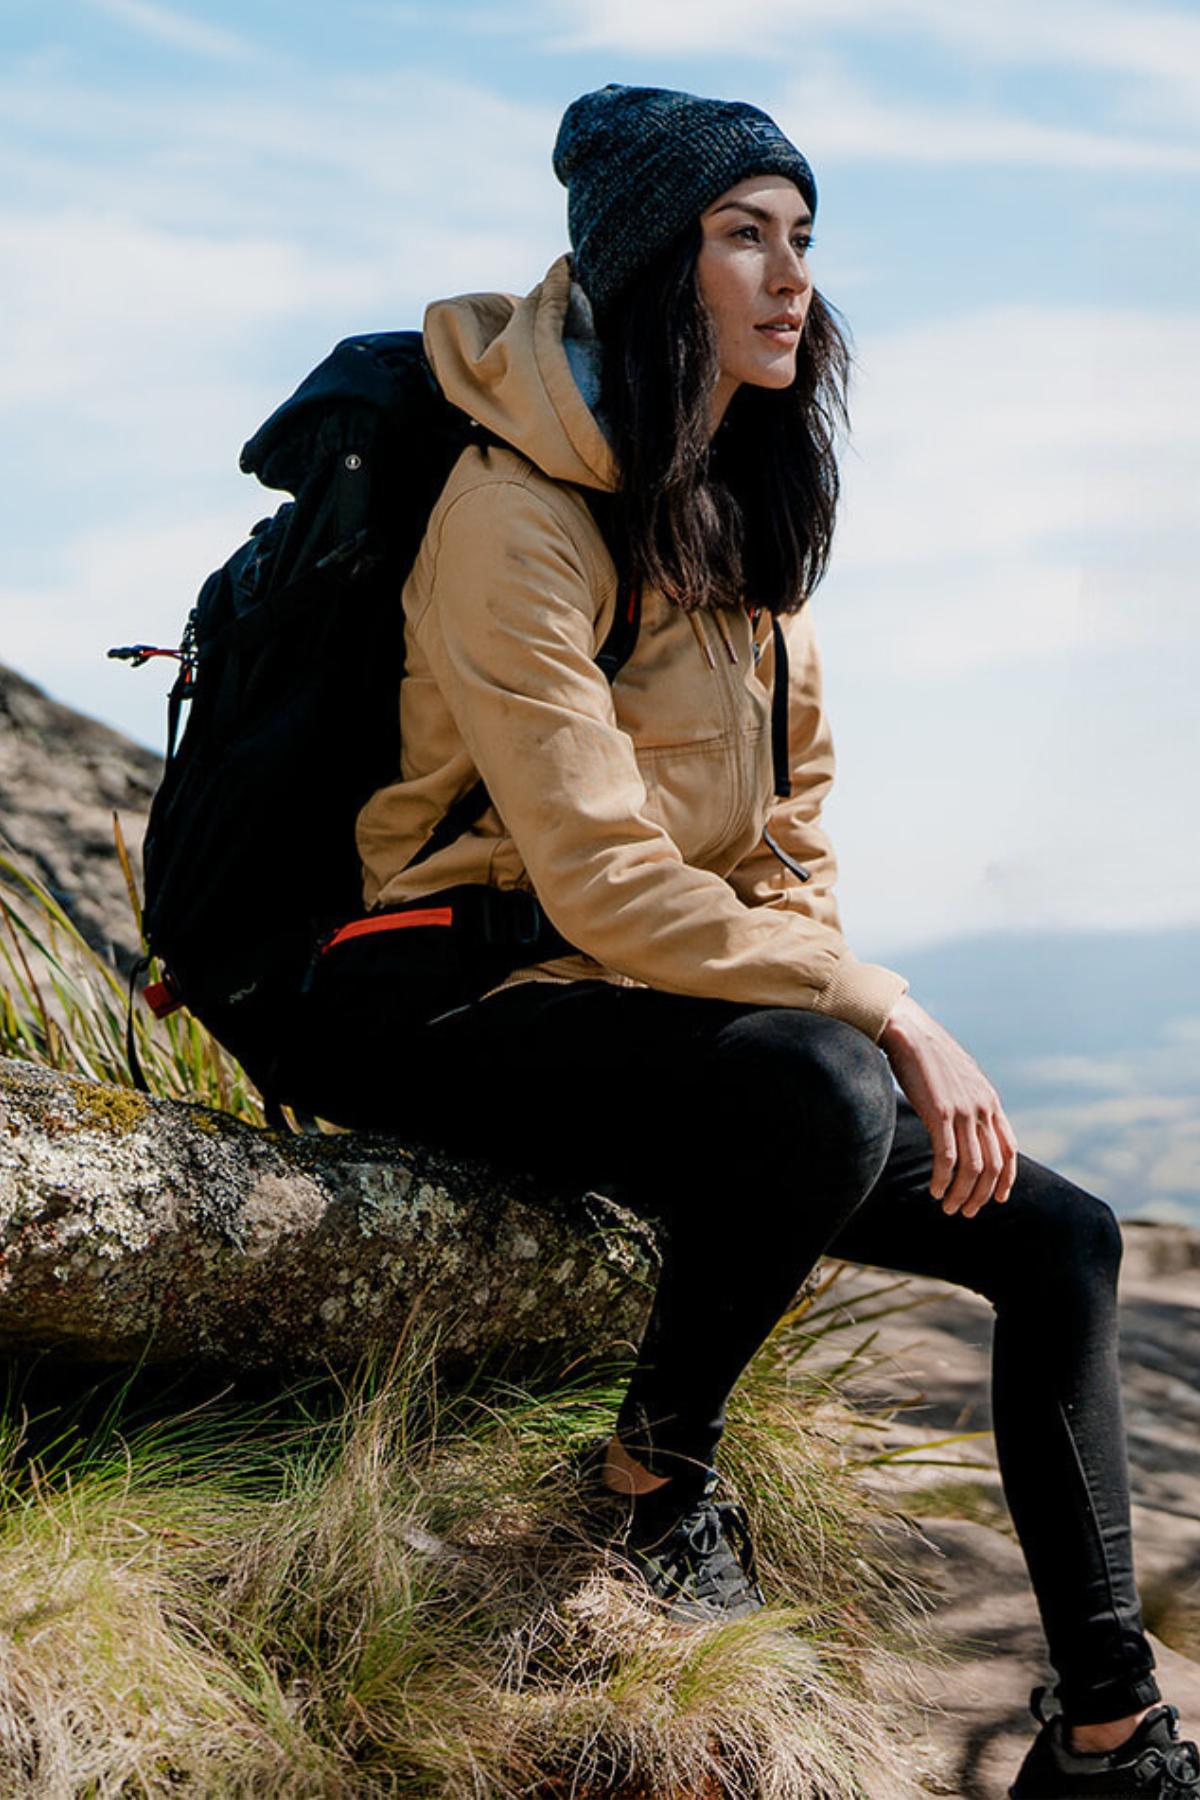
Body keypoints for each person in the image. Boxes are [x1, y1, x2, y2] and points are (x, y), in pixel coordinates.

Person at [282, 84, 1199, 1798]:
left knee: (1065, 1243)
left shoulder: (742, 528)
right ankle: (647, 1485)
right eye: (740, 236)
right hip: (444, 995)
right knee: (831, 1083)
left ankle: (1110, 1740)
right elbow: (602, 878)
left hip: (651, 1025)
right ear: (650, 266)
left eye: (801, 240)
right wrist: (890, 1014)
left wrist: (837, 1000)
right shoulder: (512, 516)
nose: (790, 280)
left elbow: (787, 843)